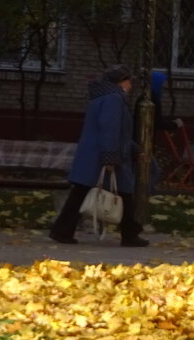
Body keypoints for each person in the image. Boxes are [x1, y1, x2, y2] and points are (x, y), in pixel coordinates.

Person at [49, 65, 149, 247]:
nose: (130, 85)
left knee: (82, 193)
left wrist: (134, 150)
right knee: (123, 193)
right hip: (103, 155)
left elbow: (119, 132)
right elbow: (110, 130)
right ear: (121, 82)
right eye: (128, 81)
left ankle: (62, 230)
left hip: (95, 155)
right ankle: (129, 234)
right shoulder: (114, 99)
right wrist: (110, 158)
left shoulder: (102, 98)